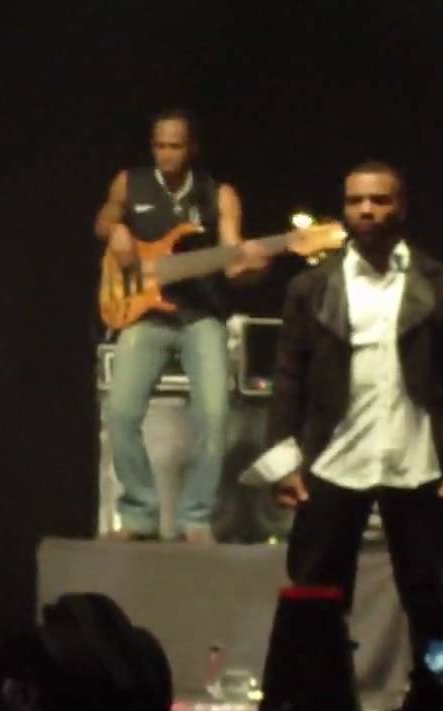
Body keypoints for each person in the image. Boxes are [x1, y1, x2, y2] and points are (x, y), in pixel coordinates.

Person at [266, 160, 443, 706]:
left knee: (427, 595)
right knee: (315, 594)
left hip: (412, 456)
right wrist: (282, 459)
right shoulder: (311, 287)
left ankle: (439, 694)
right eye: (356, 201)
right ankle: (313, 699)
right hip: (335, 456)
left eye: (379, 200)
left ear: (401, 207)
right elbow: (289, 375)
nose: (367, 210)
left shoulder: (439, 283)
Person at [93, 108, 264, 543]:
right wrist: (115, 230)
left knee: (215, 414)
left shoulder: (217, 194)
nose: (166, 154)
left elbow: (232, 253)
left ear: (192, 149)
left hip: (200, 315)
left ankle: (196, 516)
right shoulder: (129, 182)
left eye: (175, 146)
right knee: (121, 413)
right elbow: (104, 219)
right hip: (144, 313)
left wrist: (246, 268)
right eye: (159, 146)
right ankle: (139, 514)